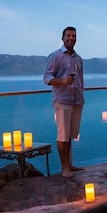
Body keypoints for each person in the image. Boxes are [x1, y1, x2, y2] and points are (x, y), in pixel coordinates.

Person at [43, 26, 85, 178]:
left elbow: (80, 80)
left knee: (70, 135)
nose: (71, 38)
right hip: (63, 101)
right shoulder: (55, 56)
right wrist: (62, 81)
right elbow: (46, 78)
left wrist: (81, 95)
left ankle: (70, 164)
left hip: (77, 100)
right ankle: (64, 168)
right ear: (62, 38)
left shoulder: (78, 58)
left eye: (73, 36)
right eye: (68, 36)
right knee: (62, 135)